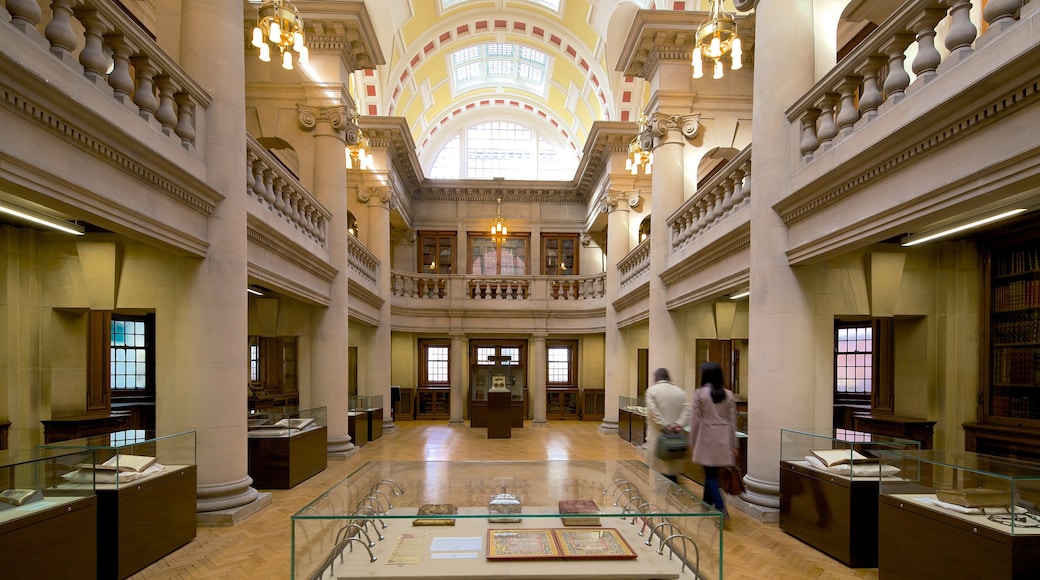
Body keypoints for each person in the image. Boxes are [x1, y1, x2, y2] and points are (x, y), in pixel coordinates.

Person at [689, 360, 738, 529]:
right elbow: (733, 422)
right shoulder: (729, 394)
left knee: (710, 475)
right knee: (712, 472)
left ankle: (721, 508)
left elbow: (694, 421)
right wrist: (734, 444)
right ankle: (705, 505)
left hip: (706, 437)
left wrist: (692, 441)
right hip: (724, 438)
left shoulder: (700, 394)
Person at [645, 367, 690, 483]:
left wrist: (665, 426)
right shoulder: (680, 391)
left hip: (659, 435)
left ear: (656, 378)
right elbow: (686, 409)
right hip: (676, 435)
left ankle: (664, 495)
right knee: (672, 466)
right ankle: (672, 490)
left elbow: (653, 411)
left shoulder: (652, 391)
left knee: (659, 466)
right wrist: (678, 424)